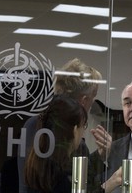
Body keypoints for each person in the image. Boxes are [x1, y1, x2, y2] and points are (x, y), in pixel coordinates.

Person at [17, 58, 111, 193]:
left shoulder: (34, 124)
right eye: (93, 96)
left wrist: (99, 156)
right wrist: (113, 182)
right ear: (84, 101)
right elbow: (76, 183)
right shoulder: (68, 137)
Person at [25, 95, 121, 193]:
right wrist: (112, 182)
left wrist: (99, 156)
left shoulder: (42, 161)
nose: (83, 132)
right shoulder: (63, 173)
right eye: (84, 126)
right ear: (75, 130)